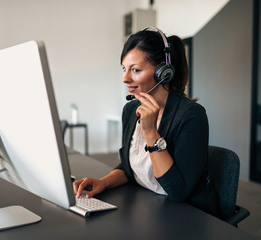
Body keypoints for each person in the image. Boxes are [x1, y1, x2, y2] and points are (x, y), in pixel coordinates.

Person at [73, 27, 217, 216]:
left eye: (136, 70)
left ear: (163, 72)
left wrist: (150, 133)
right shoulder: (131, 110)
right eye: (124, 69)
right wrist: (104, 182)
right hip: (147, 207)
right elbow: (129, 167)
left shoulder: (191, 116)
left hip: (184, 215)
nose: (125, 78)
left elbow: (178, 191)